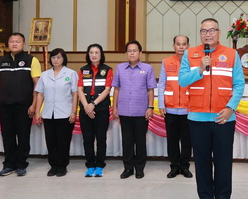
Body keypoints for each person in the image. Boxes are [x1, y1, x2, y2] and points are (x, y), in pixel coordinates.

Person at [178, 18, 244, 199]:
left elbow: (239, 84)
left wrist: (231, 108)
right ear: (200, 34)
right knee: (202, 161)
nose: (208, 34)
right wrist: (199, 69)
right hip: (197, 118)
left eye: (212, 30)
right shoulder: (190, 54)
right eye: (204, 31)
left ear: (219, 32)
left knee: (223, 161)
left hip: (223, 117)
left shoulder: (231, 54)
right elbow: (182, 81)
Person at [0, 32, 41, 176]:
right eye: (11, 41)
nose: (14, 44)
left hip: (24, 106)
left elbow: (37, 84)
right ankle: (9, 164)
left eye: (17, 41)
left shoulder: (31, 60)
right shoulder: (1, 60)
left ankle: (21, 164)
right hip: (5, 105)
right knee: (7, 136)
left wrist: (34, 105)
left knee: (23, 135)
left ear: (24, 44)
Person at [112, 40, 156, 179]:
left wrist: (150, 107)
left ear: (140, 53)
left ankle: (140, 168)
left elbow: (150, 90)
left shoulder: (147, 68)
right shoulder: (120, 68)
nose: (132, 53)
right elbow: (116, 89)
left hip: (141, 111)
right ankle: (128, 168)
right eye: (129, 51)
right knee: (127, 141)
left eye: (135, 51)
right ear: (126, 53)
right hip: (124, 110)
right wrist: (114, 107)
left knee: (140, 141)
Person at [34, 48, 78, 177]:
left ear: (64, 59)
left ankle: (62, 166)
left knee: (63, 141)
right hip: (48, 113)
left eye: (58, 57)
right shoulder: (44, 75)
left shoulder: (71, 73)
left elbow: (75, 94)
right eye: (53, 57)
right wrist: (37, 112)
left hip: (65, 113)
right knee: (51, 140)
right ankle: (53, 165)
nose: (56, 60)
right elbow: (40, 94)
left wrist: (73, 112)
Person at [157, 35, 193, 178]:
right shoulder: (166, 62)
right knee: (172, 140)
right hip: (170, 108)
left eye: (184, 44)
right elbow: (161, 84)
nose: (181, 47)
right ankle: (174, 166)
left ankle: (184, 166)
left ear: (188, 46)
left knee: (186, 141)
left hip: (188, 109)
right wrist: (161, 104)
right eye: (178, 44)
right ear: (174, 46)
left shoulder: (192, 62)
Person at [77, 43, 113, 177]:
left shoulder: (107, 70)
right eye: (91, 52)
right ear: (88, 54)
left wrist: (93, 104)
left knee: (101, 138)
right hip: (85, 110)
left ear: (101, 54)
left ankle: (100, 165)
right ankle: (90, 165)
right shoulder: (83, 70)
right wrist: (87, 106)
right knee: (87, 139)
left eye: (96, 52)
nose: (94, 55)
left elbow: (107, 89)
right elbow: (80, 90)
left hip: (101, 109)